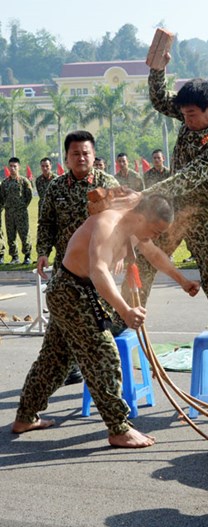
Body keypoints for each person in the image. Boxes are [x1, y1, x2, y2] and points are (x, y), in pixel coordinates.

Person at [12, 194, 199, 448]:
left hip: (72, 291)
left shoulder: (135, 228)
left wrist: (183, 281)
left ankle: (25, 417)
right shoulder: (108, 224)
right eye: (155, 230)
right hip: (71, 290)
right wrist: (125, 311)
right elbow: (98, 269)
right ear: (142, 217)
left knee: (55, 360)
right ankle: (119, 428)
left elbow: (154, 255)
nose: (154, 237)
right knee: (104, 354)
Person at [120, 44, 208, 338]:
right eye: (183, 114)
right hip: (173, 210)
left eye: (192, 115)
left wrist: (144, 195)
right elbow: (160, 100)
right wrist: (158, 68)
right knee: (145, 257)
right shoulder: (190, 109)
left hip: (204, 213)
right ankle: (122, 315)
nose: (186, 120)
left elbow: (186, 178)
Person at [37, 130, 120, 385]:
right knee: (62, 316)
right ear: (66, 157)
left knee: (99, 318)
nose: (81, 158)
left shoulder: (108, 185)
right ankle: (69, 367)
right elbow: (46, 222)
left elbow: (123, 224)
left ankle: (101, 369)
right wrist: (42, 252)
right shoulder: (56, 187)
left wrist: (120, 253)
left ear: (94, 155)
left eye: (86, 153)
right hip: (66, 266)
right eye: (75, 154)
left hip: (99, 267)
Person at [0, 157, 32, 265]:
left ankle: (27, 256)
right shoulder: (5, 183)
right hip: (9, 213)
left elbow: (29, 196)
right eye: (11, 166)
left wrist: (22, 206)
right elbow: (2, 197)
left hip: (21, 213)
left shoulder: (24, 181)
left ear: (19, 167)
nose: (13, 168)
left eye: (15, 166)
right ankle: (14, 257)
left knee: (24, 235)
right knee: (11, 236)